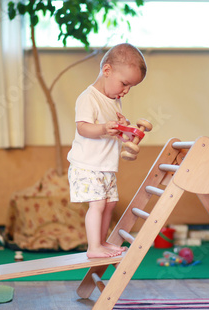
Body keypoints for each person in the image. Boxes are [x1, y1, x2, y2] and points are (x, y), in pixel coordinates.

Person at [67, 43, 147, 258]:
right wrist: (103, 128)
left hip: (106, 166)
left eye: (131, 87)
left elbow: (115, 135)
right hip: (87, 165)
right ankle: (93, 247)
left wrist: (125, 131)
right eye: (124, 84)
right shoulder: (89, 97)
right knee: (99, 204)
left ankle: (101, 242)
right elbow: (82, 128)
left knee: (110, 204)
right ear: (107, 70)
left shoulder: (115, 101)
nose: (126, 90)